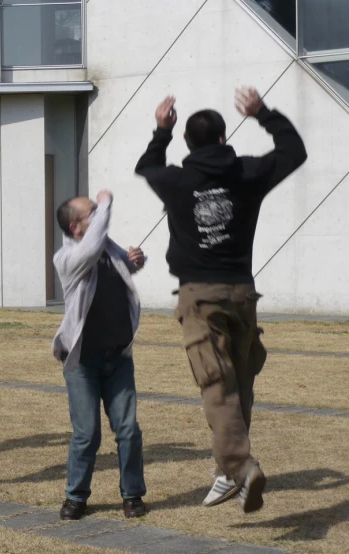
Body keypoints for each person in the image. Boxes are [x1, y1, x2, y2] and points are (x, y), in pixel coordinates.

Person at [134, 87, 307, 512]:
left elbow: (147, 166)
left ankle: (239, 467)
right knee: (240, 381)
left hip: (200, 296)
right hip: (242, 293)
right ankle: (230, 474)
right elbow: (294, 151)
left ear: (189, 143)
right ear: (223, 140)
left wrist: (161, 131)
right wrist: (262, 112)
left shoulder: (176, 180)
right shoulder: (246, 173)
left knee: (216, 384)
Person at [52, 190, 148, 520]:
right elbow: (91, 251)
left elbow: (122, 268)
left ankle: (132, 496)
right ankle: (76, 497)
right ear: (76, 227)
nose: (100, 214)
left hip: (118, 356)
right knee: (86, 433)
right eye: (92, 212)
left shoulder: (107, 247)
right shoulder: (67, 258)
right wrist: (106, 201)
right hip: (82, 361)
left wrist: (135, 260)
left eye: (98, 209)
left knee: (129, 431)